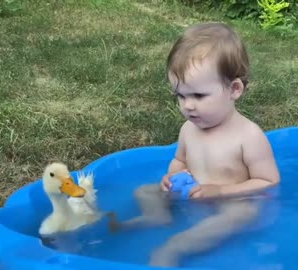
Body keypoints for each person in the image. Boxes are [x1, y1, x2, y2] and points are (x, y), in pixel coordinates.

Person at [111, 22, 280, 267]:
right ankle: (157, 216)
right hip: (192, 193)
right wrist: (172, 176)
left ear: (234, 89)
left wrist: (220, 191)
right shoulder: (189, 129)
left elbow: (269, 182)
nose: (188, 105)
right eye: (181, 95)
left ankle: (176, 248)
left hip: (232, 201)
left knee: (243, 214)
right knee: (145, 191)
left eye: (199, 96)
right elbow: (179, 160)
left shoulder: (249, 136)